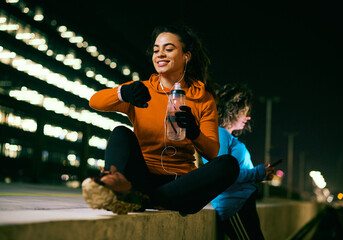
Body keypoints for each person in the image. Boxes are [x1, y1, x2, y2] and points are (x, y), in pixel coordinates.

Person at [82, 25, 240, 215]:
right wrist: (123, 92)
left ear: (186, 56)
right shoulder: (141, 90)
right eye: (156, 50)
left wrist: (194, 132)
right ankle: (115, 185)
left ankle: (139, 198)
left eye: (169, 49)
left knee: (229, 164)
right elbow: (94, 102)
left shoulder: (203, 98)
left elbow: (213, 152)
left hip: (180, 184)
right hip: (142, 176)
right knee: (120, 132)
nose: (160, 55)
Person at [202, 84, 275, 240]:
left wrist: (262, 174)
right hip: (235, 207)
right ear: (232, 109)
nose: (248, 117)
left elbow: (233, 171)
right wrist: (258, 172)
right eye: (245, 112)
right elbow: (220, 175)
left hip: (241, 205)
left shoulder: (226, 136)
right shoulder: (220, 134)